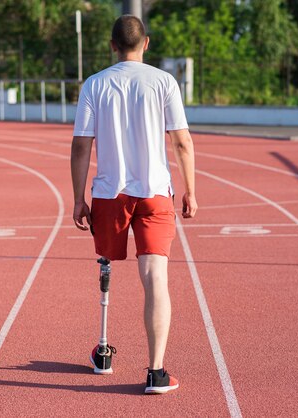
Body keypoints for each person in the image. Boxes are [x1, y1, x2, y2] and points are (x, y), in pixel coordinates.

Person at [70, 14, 197, 395]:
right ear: (147, 43)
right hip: (155, 192)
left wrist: (78, 198)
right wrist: (190, 189)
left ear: (112, 45)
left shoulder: (95, 84)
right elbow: (182, 141)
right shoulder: (164, 82)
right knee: (155, 277)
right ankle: (156, 371)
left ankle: (104, 352)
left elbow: (81, 145)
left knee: (106, 264)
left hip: (110, 193)